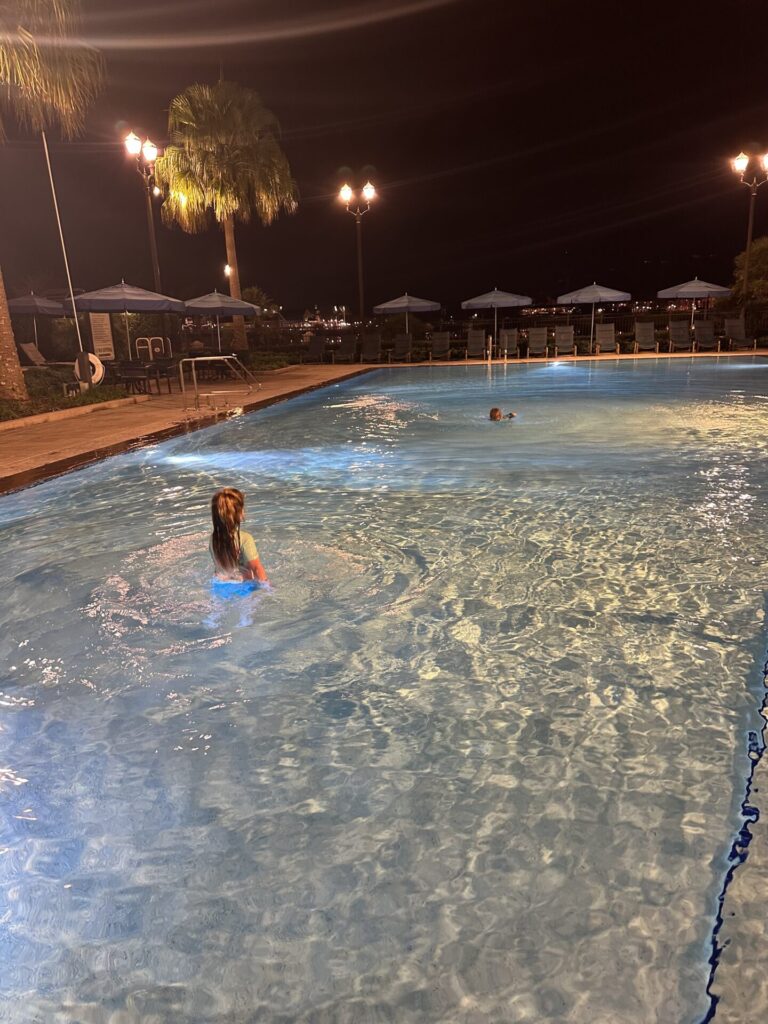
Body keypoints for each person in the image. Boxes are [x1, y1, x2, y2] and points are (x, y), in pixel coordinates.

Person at [210, 487, 270, 585]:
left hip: (219, 584)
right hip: (243, 586)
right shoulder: (245, 538)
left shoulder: (213, 539)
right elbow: (256, 567)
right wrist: (268, 586)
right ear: (239, 513)